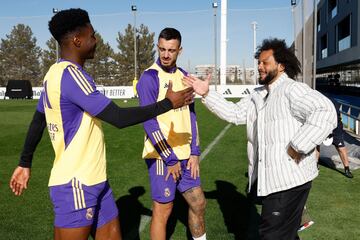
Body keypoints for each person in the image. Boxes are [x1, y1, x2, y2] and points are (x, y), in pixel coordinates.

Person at [9, 9, 193, 240]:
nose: (96, 40)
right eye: (92, 35)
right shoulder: (71, 75)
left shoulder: (53, 73)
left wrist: (25, 162)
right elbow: (117, 117)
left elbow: (39, 119)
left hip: (98, 183)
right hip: (76, 183)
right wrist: (168, 103)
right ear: (77, 40)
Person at [184, 38, 337, 240]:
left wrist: (298, 145)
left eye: (265, 62)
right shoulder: (258, 94)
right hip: (274, 181)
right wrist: (207, 94)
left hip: (289, 181)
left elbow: (326, 112)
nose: (260, 67)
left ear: (281, 66)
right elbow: (235, 114)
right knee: (285, 234)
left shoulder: (292, 89)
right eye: (259, 62)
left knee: (271, 235)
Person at [136, 28, 206, 240]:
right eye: (162, 49)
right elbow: (149, 122)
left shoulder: (184, 76)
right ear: (158, 47)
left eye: (171, 50)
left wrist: (194, 152)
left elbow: (191, 115)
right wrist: (169, 158)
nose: (166, 54)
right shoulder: (149, 78)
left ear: (180, 50)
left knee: (199, 203)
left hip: (186, 155)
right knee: (163, 211)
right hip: (162, 157)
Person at [317, 98, 353, 178]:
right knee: (316, 144)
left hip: (336, 127)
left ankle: (347, 169)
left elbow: (335, 121)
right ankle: (316, 165)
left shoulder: (334, 111)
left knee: (341, 148)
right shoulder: (320, 110)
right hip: (322, 125)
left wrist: (331, 132)